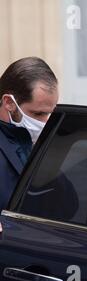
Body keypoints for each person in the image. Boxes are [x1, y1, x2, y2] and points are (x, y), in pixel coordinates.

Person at [0, 57, 58, 210]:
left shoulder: (42, 143)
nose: (45, 123)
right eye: (38, 114)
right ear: (9, 103)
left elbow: (69, 206)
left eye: (50, 114)